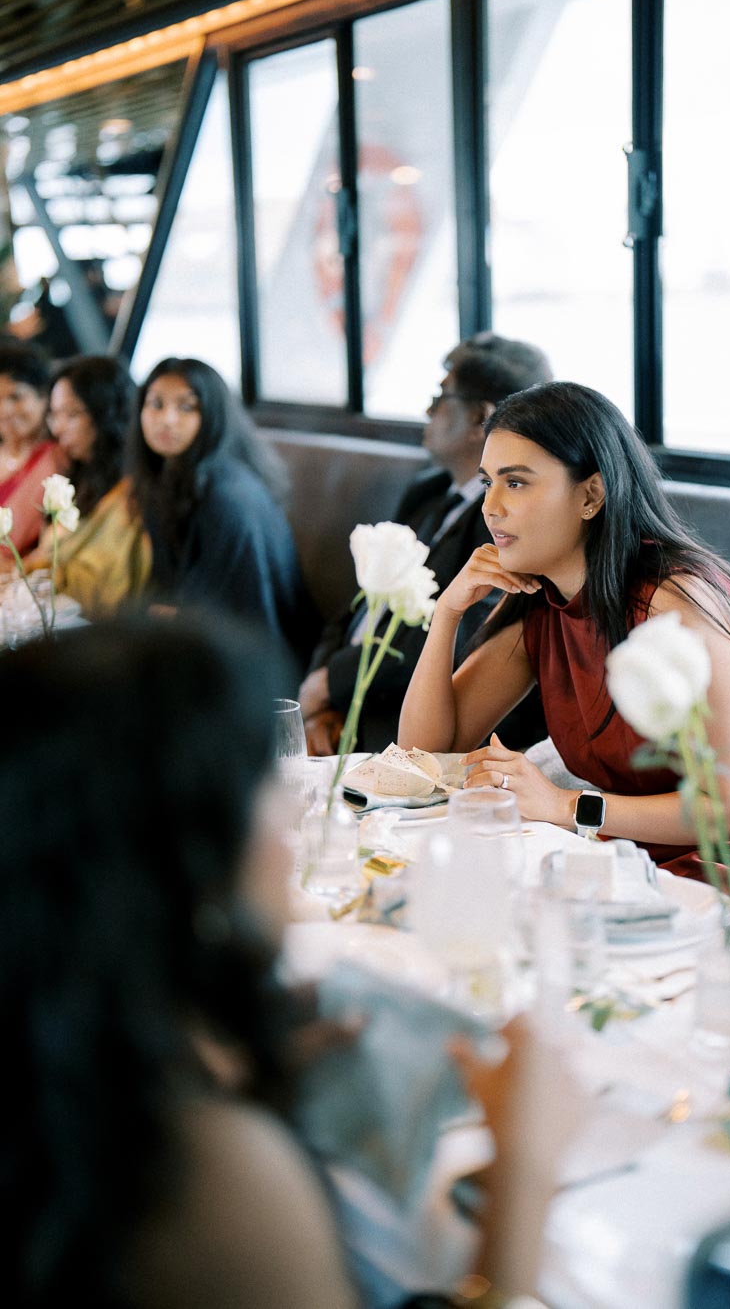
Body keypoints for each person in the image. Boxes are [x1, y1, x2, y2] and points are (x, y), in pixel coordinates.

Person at [1, 616, 579, 1307]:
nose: (294, 818)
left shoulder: (61, 1048)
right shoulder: (205, 1178)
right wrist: (525, 1167)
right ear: (192, 855)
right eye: (267, 787)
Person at [399, 381, 730, 925]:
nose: (490, 506)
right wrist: (448, 613)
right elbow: (422, 751)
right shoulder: (541, 597)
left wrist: (563, 806)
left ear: (590, 496)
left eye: (516, 483)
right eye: (489, 482)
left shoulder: (676, 603)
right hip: (637, 847)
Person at [300, 332, 552, 755]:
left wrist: (332, 685)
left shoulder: (504, 526)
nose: (428, 411)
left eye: (441, 398)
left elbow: (457, 642)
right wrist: (324, 687)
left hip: (405, 721)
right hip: (351, 701)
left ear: (480, 419)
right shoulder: (427, 493)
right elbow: (361, 604)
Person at [128, 356, 321, 681]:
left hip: (261, 673)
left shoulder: (227, 496)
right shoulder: (167, 481)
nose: (167, 420)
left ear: (214, 416)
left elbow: (244, 617)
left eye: (187, 407)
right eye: (155, 404)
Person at [24, 355, 151, 616]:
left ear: (106, 413)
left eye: (72, 414)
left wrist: (31, 570)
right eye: (55, 415)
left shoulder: (131, 491)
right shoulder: (81, 474)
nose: (58, 428)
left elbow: (108, 588)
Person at [0, 338, 64, 563]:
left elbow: (9, 542)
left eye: (15, 397)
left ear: (45, 398)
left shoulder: (53, 460)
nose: (4, 410)